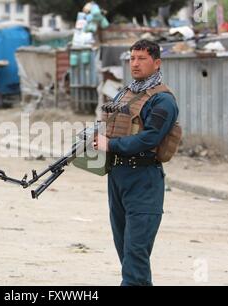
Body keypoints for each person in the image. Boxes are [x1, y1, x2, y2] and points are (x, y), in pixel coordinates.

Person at [94, 40, 179, 286]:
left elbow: (151, 137)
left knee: (135, 253)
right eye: (132, 58)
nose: (135, 63)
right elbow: (108, 123)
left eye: (141, 58)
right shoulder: (126, 93)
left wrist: (112, 145)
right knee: (125, 251)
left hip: (143, 180)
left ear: (157, 63)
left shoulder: (163, 100)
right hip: (117, 176)